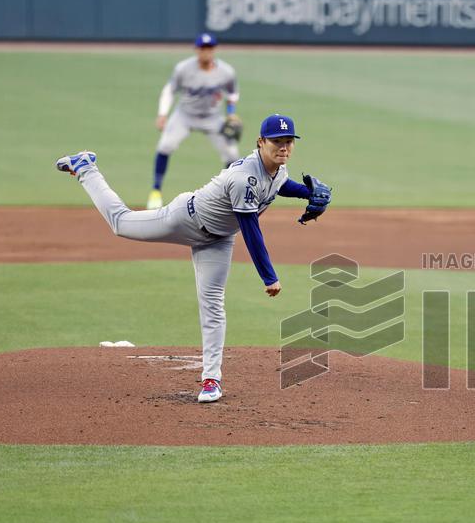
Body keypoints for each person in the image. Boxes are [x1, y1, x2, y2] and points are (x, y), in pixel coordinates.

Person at [55, 114, 333, 403]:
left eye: (288, 141)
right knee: (120, 224)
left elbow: (282, 186)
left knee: (213, 305)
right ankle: (86, 167)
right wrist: (269, 276)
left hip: (218, 241)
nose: (284, 147)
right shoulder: (243, 178)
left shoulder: (277, 171)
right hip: (184, 219)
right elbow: (251, 231)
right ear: (261, 142)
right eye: (277, 141)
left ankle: (211, 380)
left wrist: (310, 194)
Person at [148, 32, 240, 210]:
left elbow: (233, 94)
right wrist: (162, 114)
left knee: (232, 155)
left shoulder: (226, 72)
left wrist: (231, 113)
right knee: (165, 146)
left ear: (214, 50)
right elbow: (169, 90)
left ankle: (228, 195)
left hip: (213, 117)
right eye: (202, 48)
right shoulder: (183, 69)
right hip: (185, 116)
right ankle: (155, 190)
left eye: (209, 48)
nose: (206, 52)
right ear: (196, 50)